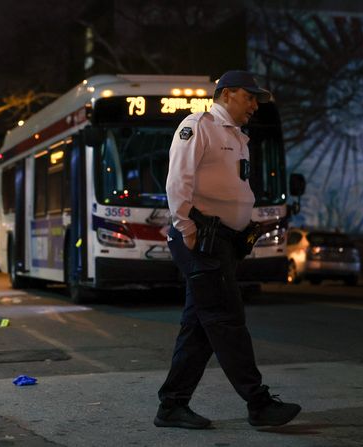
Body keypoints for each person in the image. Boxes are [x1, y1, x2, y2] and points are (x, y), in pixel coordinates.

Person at [154, 70, 301, 429]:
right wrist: (187, 230)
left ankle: (172, 405)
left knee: (201, 328)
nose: (254, 105)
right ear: (228, 94)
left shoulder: (237, 136)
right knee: (226, 320)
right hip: (202, 239)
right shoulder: (198, 126)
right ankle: (258, 402)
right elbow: (178, 181)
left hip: (223, 242)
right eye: (250, 97)